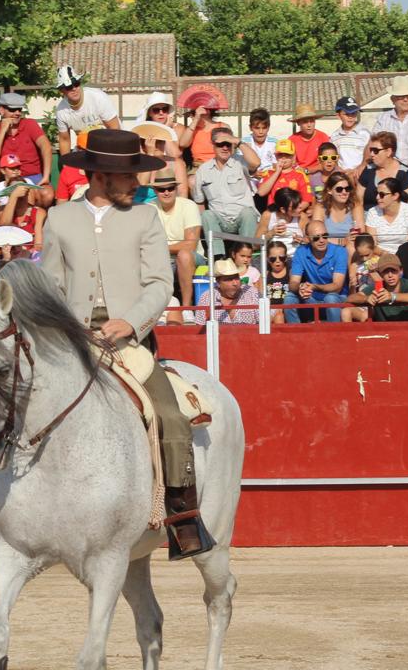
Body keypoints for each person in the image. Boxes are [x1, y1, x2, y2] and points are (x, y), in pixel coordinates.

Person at [40, 128, 213, 558]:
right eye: (128, 175)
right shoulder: (60, 218)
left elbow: (159, 284)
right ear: (100, 175)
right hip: (72, 339)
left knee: (169, 413)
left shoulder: (145, 217)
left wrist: (130, 323)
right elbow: (49, 285)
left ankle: (180, 514)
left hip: (128, 343)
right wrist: (65, 328)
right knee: (17, 402)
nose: (137, 184)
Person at [193, 126, 260, 238]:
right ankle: (217, 255)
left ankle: (247, 253)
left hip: (242, 218)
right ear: (213, 145)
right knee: (206, 215)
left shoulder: (241, 162)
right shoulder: (203, 170)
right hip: (220, 221)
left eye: (228, 144)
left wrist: (237, 141)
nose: (225, 148)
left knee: (248, 213)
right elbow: (199, 201)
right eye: (220, 144)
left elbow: (256, 163)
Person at [149, 175, 201, 308]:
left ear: (176, 189)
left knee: (184, 255)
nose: (166, 192)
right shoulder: (148, 208)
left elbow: (191, 245)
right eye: (161, 189)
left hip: (192, 257)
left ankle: (187, 308)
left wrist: (160, 247)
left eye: (170, 188)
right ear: (155, 191)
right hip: (160, 257)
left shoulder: (188, 205)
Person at [0, 91, 53, 188]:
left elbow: (46, 146)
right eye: (12, 110)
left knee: (48, 194)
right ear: (1, 110)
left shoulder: (30, 124)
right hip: (6, 177)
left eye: (19, 109)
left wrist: (46, 177)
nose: (17, 113)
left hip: (32, 176)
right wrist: (3, 131)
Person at [289, 220, 348, 323]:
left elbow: (337, 287)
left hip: (336, 297)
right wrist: (300, 288)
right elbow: (293, 282)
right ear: (307, 239)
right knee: (289, 298)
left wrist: (314, 287)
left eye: (325, 236)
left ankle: (334, 334)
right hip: (312, 297)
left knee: (331, 298)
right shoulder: (301, 251)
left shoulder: (340, 251)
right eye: (316, 238)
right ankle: (295, 335)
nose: (322, 240)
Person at [53, 65, 121, 155]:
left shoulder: (98, 97)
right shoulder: (61, 111)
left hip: (110, 145)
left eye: (76, 83)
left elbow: (115, 128)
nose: (74, 88)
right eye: (68, 87)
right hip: (84, 149)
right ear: (62, 91)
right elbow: (64, 139)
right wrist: (67, 166)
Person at [343, 253, 408, 322]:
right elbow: (350, 298)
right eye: (386, 271)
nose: (390, 275)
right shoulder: (378, 286)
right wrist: (366, 298)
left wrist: (392, 296)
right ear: (380, 273)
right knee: (347, 311)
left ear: (401, 271)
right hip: (383, 332)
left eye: (393, 270)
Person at [355, 132, 408, 212]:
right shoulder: (368, 170)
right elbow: (358, 201)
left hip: (396, 219)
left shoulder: (404, 172)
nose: (371, 154)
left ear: (388, 151)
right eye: (371, 150)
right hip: (367, 216)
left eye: (375, 150)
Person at [194, 258, 259, 325]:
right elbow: (200, 326)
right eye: (229, 279)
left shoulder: (252, 293)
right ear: (218, 282)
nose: (235, 283)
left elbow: (264, 321)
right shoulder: (207, 298)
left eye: (236, 278)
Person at [312, 171, 364, 248]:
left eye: (347, 189)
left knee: (351, 246)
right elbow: (315, 235)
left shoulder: (355, 206)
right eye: (339, 189)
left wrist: (353, 238)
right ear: (329, 190)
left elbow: (362, 234)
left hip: (350, 247)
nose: (344, 192)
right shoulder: (321, 207)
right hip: (327, 248)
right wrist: (341, 242)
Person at [256, 138, 314, 207]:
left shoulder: (300, 175)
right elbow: (261, 193)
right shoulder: (269, 173)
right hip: (274, 212)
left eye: (287, 155)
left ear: (294, 157)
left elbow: (306, 200)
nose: (283, 158)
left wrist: (292, 210)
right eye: (280, 155)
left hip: (294, 212)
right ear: (276, 156)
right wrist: (277, 172)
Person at [365, 176, 408, 250]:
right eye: (376, 193)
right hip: (380, 256)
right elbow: (372, 244)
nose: (377, 197)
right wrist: (385, 255)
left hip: (404, 255)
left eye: (382, 194)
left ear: (395, 196)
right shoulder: (373, 212)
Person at [329, 96, 371, 169]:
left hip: (361, 174)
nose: (350, 117)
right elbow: (334, 159)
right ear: (338, 116)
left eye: (354, 113)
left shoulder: (365, 133)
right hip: (342, 176)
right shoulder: (334, 136)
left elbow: (370, 156)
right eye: (347, 114)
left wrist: (359, 169)